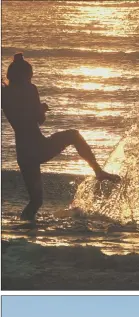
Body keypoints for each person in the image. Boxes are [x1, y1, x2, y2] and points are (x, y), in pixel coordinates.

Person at [1, 53, 120, 223]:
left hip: (23, 153)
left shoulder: (5, 95)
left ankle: (23, 231)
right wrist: (42, 108)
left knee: (36, 202)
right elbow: (39, 119)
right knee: (74, 135)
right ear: (27, 75)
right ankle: (98, 171)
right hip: (39, 146)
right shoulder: (29, 89)